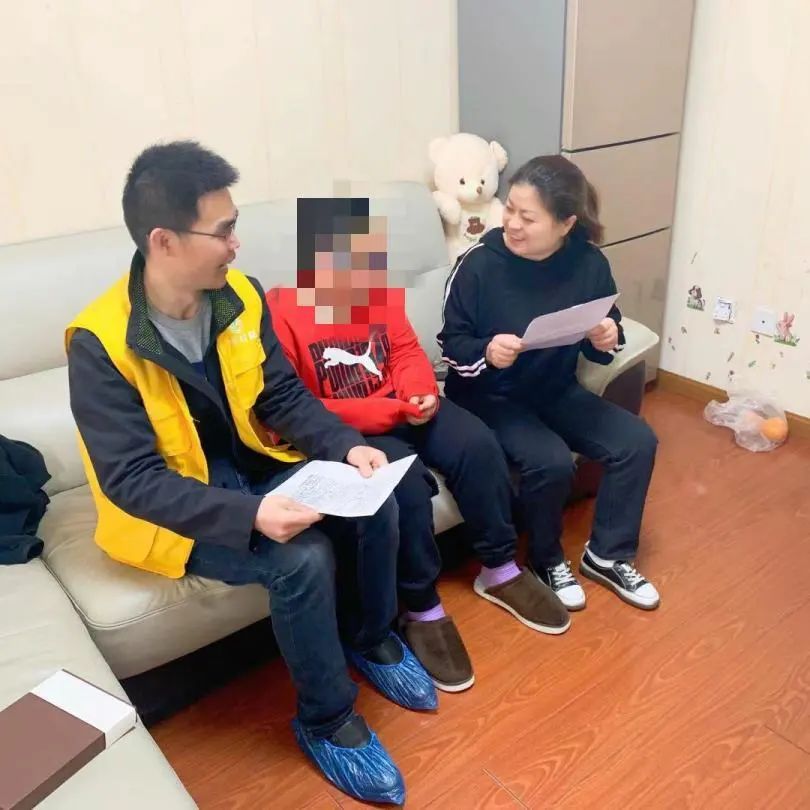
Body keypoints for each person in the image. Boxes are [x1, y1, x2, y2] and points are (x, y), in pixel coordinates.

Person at [65, 142, 436, 806]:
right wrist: (250, 515)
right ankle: (326, 721)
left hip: (255, 464)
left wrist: (344, 446)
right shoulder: (100, 342)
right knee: (303, 559)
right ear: (165, 241)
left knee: (374, 499)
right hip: (176, 512)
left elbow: (282, 395)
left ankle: (372, 636)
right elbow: (132, 480)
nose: (236, 244)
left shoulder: (238, 295)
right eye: (224, 230)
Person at [268, 197, 569, 693]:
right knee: (406, 486)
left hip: (403, 405)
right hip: (355, 430)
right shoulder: (281, 311)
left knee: (476, 442)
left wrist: (420, 392)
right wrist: (390, 410)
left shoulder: (376, 294)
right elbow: (296, 405)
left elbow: (407, 351)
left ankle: (499, 567)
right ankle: (421, 606)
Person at [438, 155, 661, 612]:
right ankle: (545, 560)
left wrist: (607, 335)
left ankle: (607, 555)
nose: (512, 223)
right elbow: (451, 345)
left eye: (528, 217)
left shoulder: (588, 263)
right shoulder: (477, 265)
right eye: (510, 209)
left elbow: (605, 329)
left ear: (566, 224)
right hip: (489, 396)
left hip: (554, 390)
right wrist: (487, 351)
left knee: (636, 441)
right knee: (551, 461)